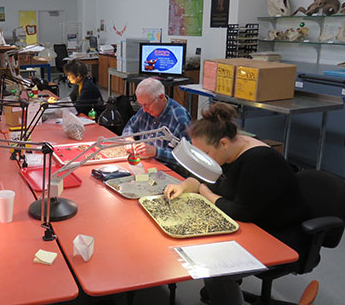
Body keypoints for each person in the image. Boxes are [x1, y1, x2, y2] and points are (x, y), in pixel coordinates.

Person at [163, 103, 310, 305]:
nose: (205, 159)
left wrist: (203, 192)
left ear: (223, 143)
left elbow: (239, 211)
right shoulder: (230, 149)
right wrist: (186, 185)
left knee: (217, 269)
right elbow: (211, 181)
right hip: (254, 225)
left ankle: (222, 290)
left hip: (279, 236)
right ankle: (220, 293)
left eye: (205, 153)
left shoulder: (259, 162)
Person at [122, 78, 191, 165]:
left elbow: (186, 158)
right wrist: (129, 139)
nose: (143, 110)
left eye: (146, 105)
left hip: (166, 169)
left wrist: (156, 152)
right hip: (144, 162)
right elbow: (130, 126)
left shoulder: (180, 118)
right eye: (141, 105)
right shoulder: (146, 110)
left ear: (161, 97)